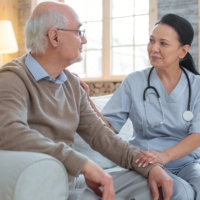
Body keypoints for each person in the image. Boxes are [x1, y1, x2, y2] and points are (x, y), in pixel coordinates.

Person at [0, 1, 174, 200]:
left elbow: (102, 136)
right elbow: (9, 131)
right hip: (42, 183)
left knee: (150, 186)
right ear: (54, 36)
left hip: (73, 180)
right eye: (79, 32)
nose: (84, 41)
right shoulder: (12, 78)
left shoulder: (72, 84)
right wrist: (82, 164)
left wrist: (150, 166)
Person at [83, 13, 200, 200]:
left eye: (163, 43)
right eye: (151, 40)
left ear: (183, 51)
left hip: (187, 163)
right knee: (180, 193)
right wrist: (86, 100)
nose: (153, 48)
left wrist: (165, 156)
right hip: (146, 162)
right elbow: (109, 127)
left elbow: (197, 135)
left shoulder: (196, 85)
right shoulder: (134, 81)